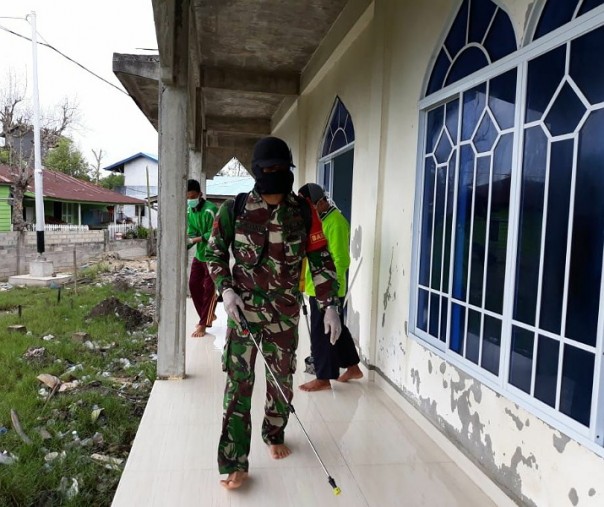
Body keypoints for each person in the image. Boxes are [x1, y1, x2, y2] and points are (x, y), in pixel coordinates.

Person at [206, 136, 342, 490]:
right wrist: (227, 289)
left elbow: (321, 260)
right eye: (271, 170)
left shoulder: (303, 211)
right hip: (244, 314)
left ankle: (274, 432)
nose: (278, 175)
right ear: (257, 172)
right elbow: (214, 255)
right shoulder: (234, 209)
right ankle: (235, 461)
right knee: (239, 385)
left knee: (281, 381)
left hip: (284, 315)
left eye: (284, 169)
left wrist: (330, 305)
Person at [298, 183, 363, 392]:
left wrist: (330, 291)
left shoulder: (335, 222)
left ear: (321, 202)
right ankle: (353, 367)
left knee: (322, 333)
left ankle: (323, 377)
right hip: (315, 286)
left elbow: (341, 260)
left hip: (327, 290)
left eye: (309, 205)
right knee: (337, 330)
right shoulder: (320, 220)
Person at [186, 178, 219, 337]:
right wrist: (186, 243)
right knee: (193, 285)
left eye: (192, 197)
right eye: (187, 198)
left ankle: (203, 324)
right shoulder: (189, 211)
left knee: (208, 290)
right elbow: (191, 232)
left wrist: (195, 240)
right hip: (200, 254)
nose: (190, 201)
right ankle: (207, 315)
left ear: (200, 194)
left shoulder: (210, 209)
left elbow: (213, 233)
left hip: (213, 254)